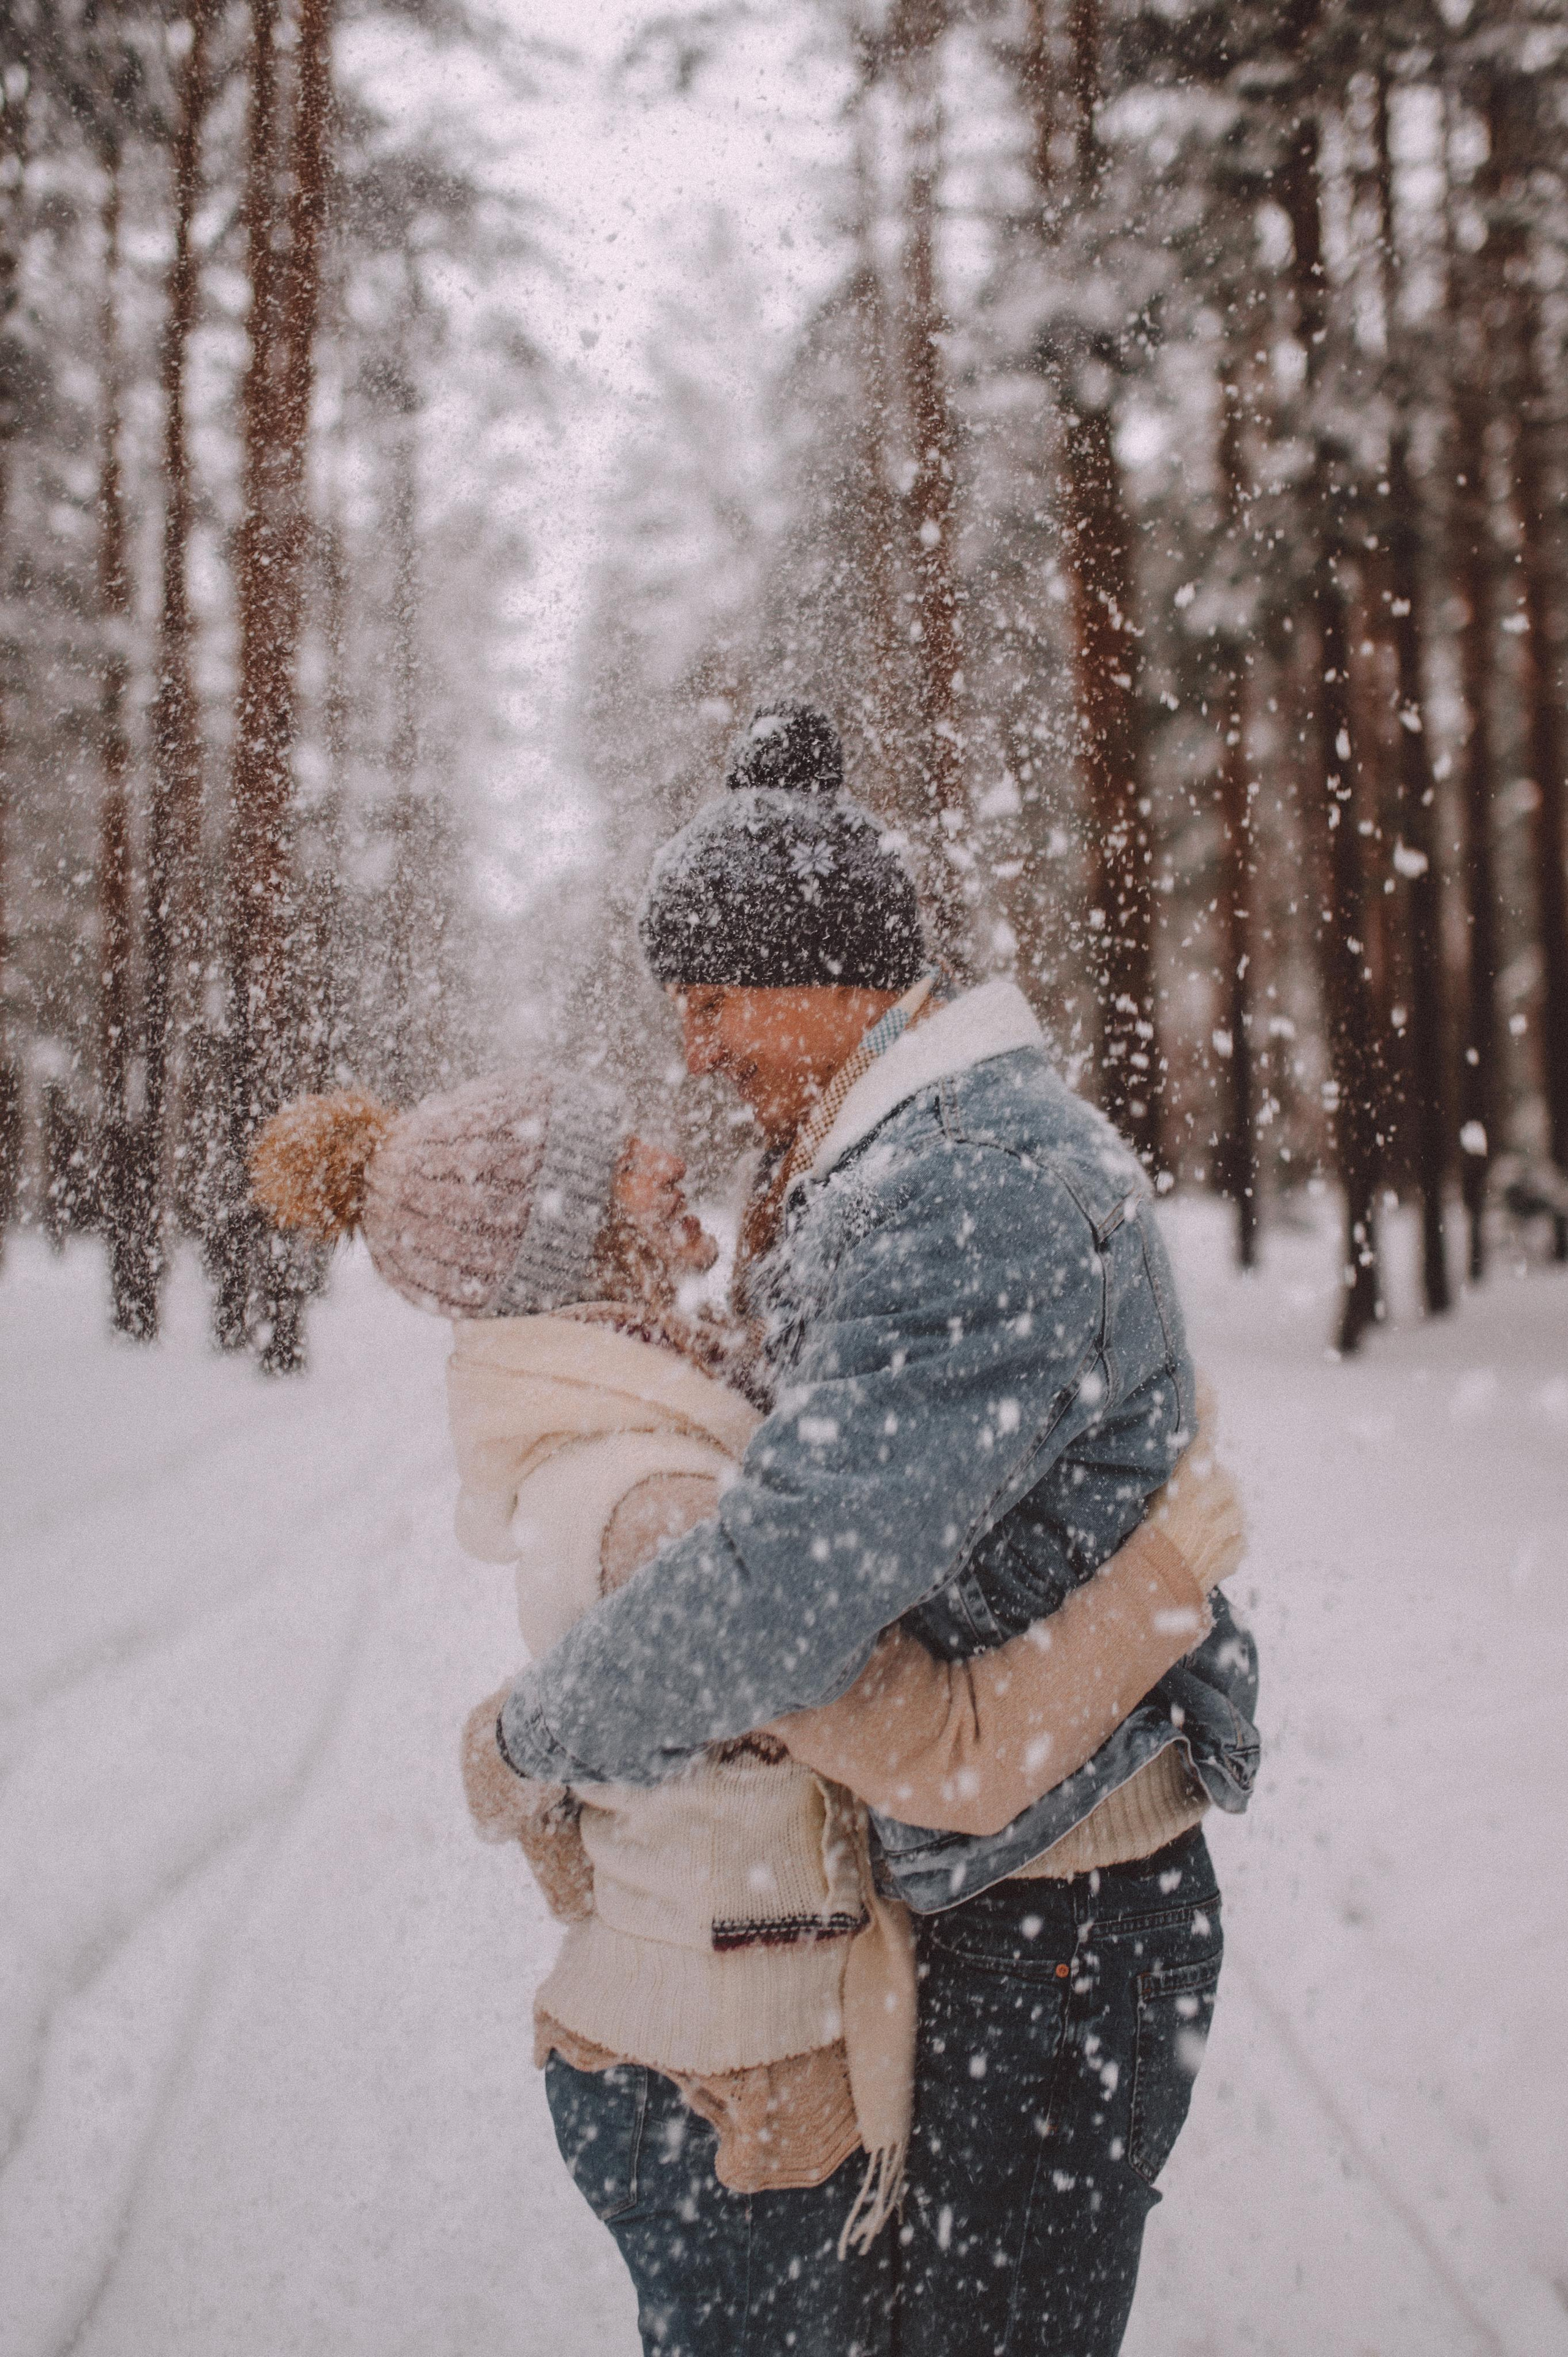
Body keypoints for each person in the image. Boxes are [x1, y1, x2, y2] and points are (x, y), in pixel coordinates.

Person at [252, 1042, 1245, 2357]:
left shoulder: (668, 1410)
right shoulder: (659, 1499)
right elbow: (949, 1755)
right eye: (618, 1160)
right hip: (730, 2102)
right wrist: (1164, 1580)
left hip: (721, 2074)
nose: (668, 1155)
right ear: (568, 1243)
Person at [488, 703, 1262, 2357]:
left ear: (827, 977)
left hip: (1061, 1922)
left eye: (713, 1002)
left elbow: (786, 1592)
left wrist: (536, 1736)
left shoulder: (963, 1184)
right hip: (998, 1913)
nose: (696, 1051)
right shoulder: (879, 1168)